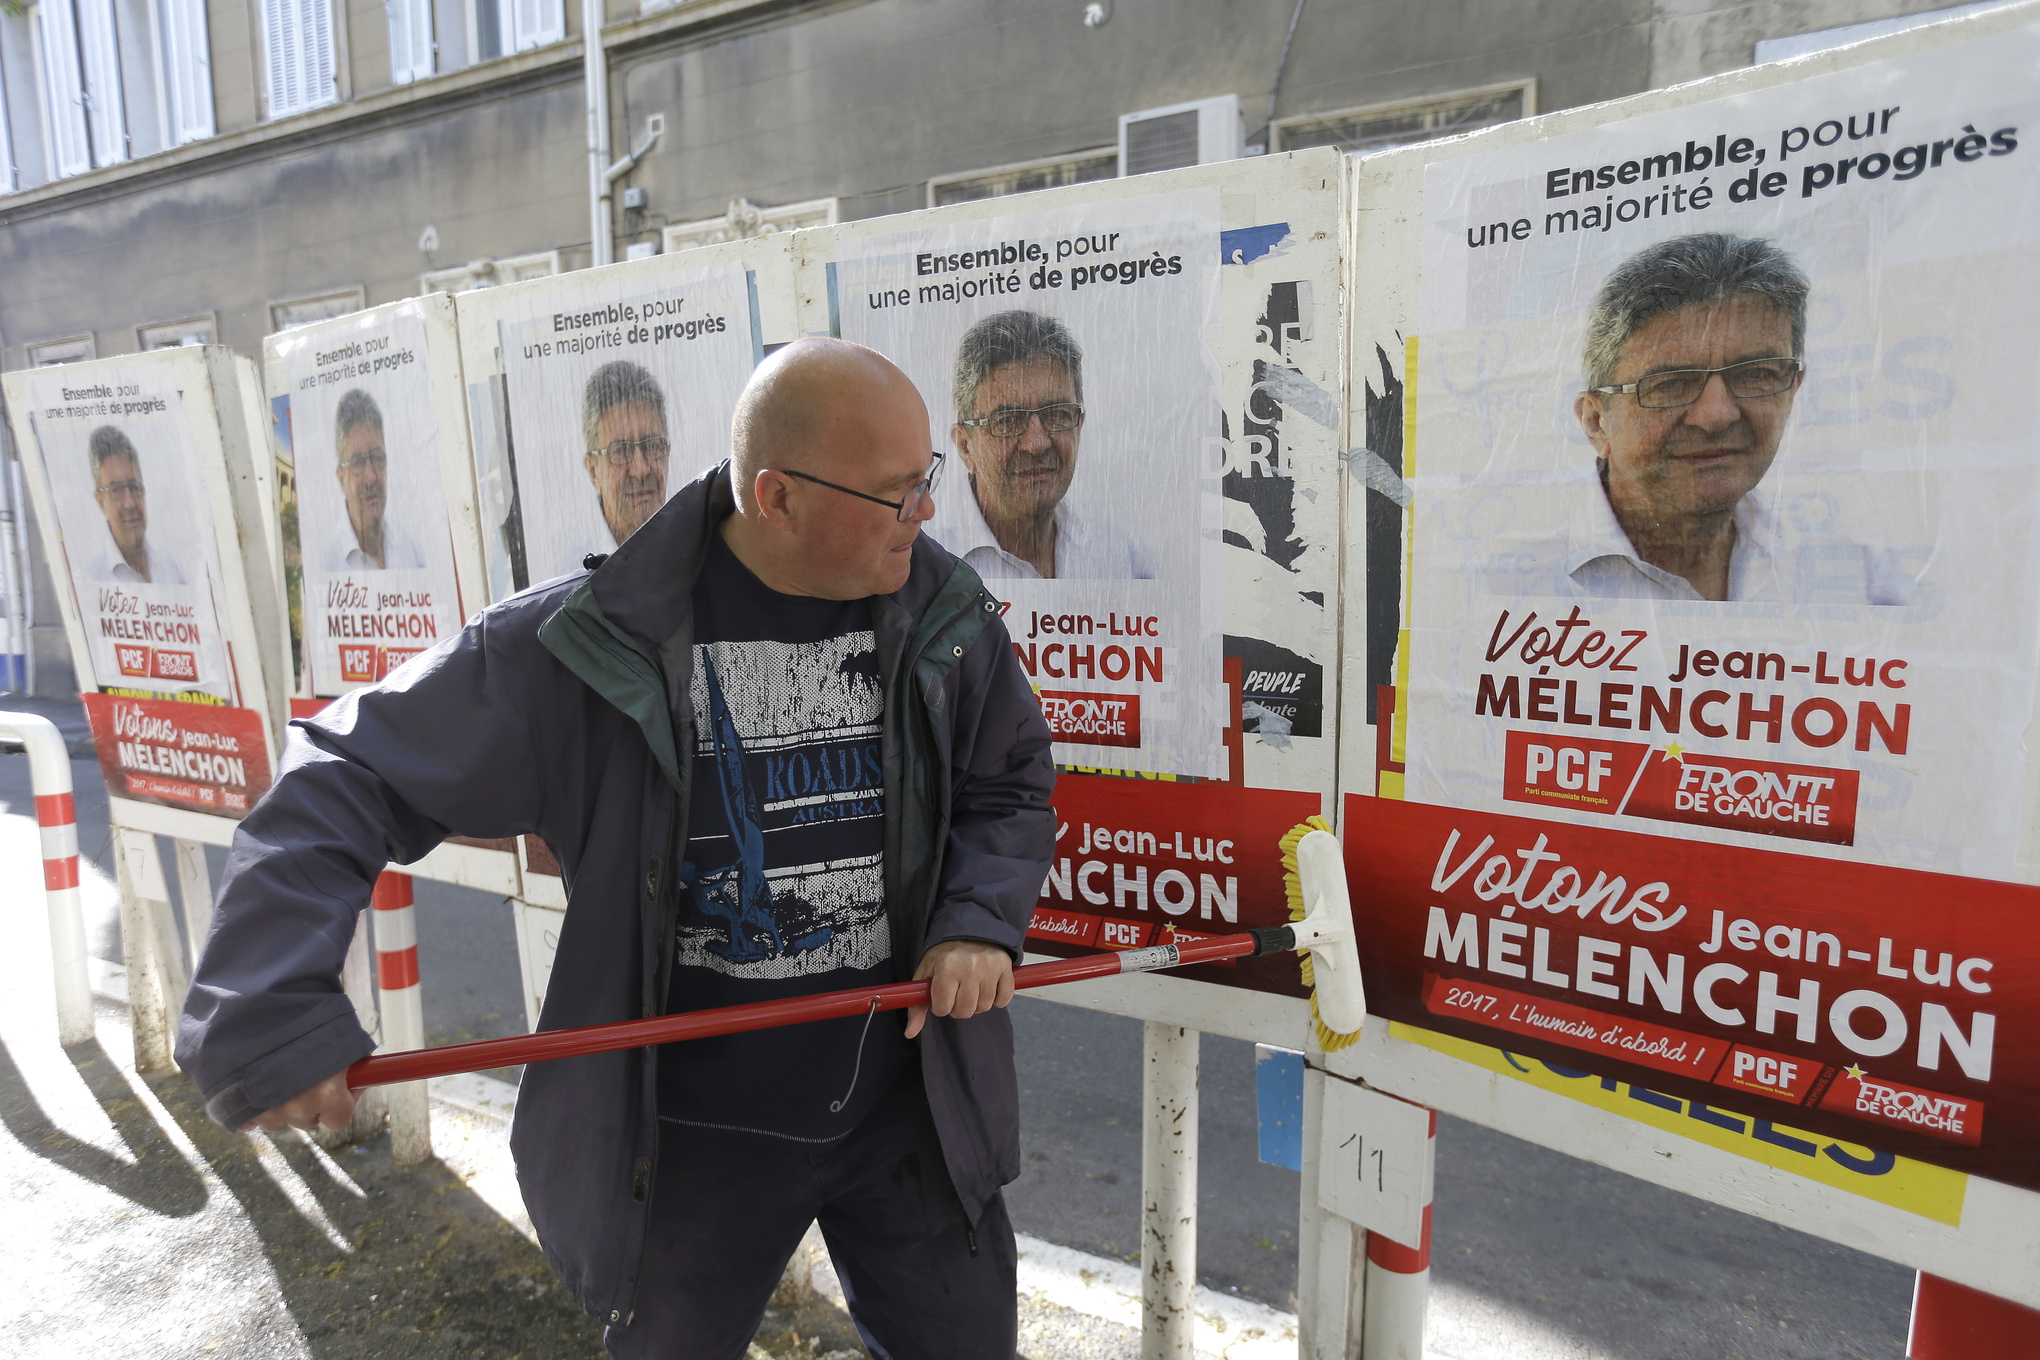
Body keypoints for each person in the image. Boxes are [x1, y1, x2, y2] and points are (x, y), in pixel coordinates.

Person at [176, 338, 1054, 1360]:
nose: (929, 514)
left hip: (914, 1114)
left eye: (925, 482)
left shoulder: (941, 610)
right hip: (686, 1144)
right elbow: (342, 767)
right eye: (898, 493)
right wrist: (270, 999)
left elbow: (1008, 778)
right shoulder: (590, 643)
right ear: (776, 497)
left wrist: (976, 922)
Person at [1530, 232, 1911, 605]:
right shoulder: (1507, 579)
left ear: (1793, 389)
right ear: (1597, 422)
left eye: (1756, 374)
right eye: (1672, 383)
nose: (1715, 416)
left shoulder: (1861, 584)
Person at [943, 309, 1155, 580]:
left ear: (1079, 426)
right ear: (965, 447)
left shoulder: (1120, 556)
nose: (1037, 444)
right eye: (1007, 421)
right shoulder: (924, 564)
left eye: (1056, 415)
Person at [321, 389, 426, 572]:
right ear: (341, 480)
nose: (370, 477)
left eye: (377, 458)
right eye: (358, 463)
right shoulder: (328, 567)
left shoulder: (410, 551)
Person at [583, 359, 673, 549]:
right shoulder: (573, 573)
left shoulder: (695, 550)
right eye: (620, 451)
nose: (640, 469)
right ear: (593, 471)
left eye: (652, 446)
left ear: (667, 454)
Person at [84, 425, 185, 585]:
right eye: (116, 490)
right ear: (101, 502)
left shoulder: (169, 567)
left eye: (134, 487)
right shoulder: (94, 580)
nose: (130, 503)